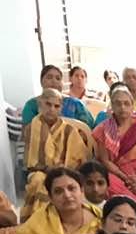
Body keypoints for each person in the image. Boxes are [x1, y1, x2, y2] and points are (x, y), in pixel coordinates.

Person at [92, 84, 136, 234]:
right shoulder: (103, 129)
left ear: (132, 105)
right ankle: (123, 233)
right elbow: (105, 161)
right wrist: (125, 178)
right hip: (115, 172)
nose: (122, 107)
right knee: (120, 194)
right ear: (111, 105)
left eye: (126, 103)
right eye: (118, 103)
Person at [22, 89, 94, 218]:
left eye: (56, 106)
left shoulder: (69, 130)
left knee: (63, 183)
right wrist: (47, 169)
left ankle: (55, 221)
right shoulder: (31, 128)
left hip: (66, 171)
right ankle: (39, 221)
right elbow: (29, 161)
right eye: (48, 104)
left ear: (61, 108)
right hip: (39, 171)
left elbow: (79, 158)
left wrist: (62, 169)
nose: (51, 109)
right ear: (40, 105)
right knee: (38, 181)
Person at [20, 63, 94, 130]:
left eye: (58, 78)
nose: (54, 81)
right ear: (41, 82)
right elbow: (28, 134)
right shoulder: (32, 105)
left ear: (62, 84)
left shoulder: (75, 104)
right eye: (49, 77)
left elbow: (90, 130)